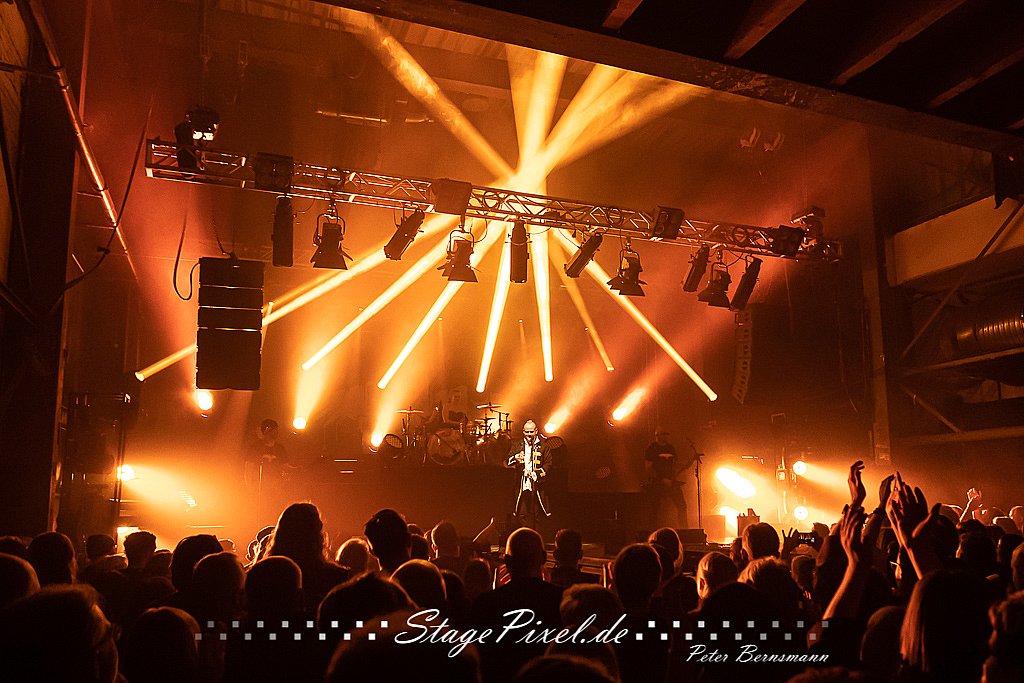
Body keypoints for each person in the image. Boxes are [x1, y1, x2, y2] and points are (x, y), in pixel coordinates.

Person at [643, 429, 695, 529]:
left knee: (682, 505)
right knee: (654, 508)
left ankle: (684, 529)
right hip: (657, 483)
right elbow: (648, 468)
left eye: (667, 434)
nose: (666, 436)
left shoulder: (670, 448)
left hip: (671, 482)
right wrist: (661, 479)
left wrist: (688, 463)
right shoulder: (652, 448)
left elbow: (674, 464)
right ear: (657, 435)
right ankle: (651, 531)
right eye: (664, 434)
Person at [507, 419, 553, 528]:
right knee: (521, 514)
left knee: (537, 514)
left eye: (531, 432)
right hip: (522, 484)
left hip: (537, 485)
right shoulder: (517, 445)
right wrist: (515, 458)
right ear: (523, 432)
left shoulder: (544, 446)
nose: (529, 435)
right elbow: (507, 461)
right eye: (526, 432)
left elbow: (548, 464)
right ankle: (524, 535)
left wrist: (536, 474)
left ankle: (537, 535)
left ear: (536, 431)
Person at [244, 419, 293, 486]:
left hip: (276, 486)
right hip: (258, 486)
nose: (277, 432)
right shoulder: (256, 447)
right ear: (268, 430)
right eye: (275, 429)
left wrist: (295, 469)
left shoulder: (280, 448)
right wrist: (249, 486)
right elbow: (249, 468)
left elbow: (285, 466)